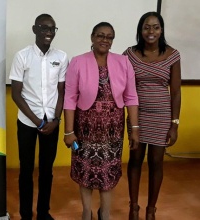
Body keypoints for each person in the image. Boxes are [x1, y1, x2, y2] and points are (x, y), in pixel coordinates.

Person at [63, 22, 139, 220]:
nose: (104, 40)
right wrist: (68, 131)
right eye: (100, 35)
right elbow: (69, 97)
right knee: (85, 171)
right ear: (92, 37)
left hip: (112, 131)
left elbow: (131, 97)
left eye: (109, 37)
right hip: (85, 128)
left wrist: (135, 128)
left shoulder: (123, 62)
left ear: (112, 40)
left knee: (108, 171)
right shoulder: (78, 62)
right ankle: (86, 212)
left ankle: (105, 212)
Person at [9, 14, 68, 220]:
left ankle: (43, 212)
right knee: (26, 170)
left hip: (52, 122)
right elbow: (16, 93)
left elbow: (62, 92)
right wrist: (37, 122)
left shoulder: (61, 57)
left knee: (46, 170)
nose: (49, 32)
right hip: (27, 122)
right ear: (35, 29)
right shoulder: (22, 56)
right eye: (44, 28)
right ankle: (26, 214)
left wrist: (56, 121)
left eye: (52, 29)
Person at [123, 12, 181, 220]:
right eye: (147, 27)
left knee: (157, 162)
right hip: (137, 117)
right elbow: (121, 84)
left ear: (161, 30)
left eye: (156, 27)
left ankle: (151, 210)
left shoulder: (173, 55)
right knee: (135, 159)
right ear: (140, 30)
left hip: (162, 116)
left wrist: (174, 124)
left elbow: (175, 92)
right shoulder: (129, 54)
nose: (151, 32)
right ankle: (134, 207)